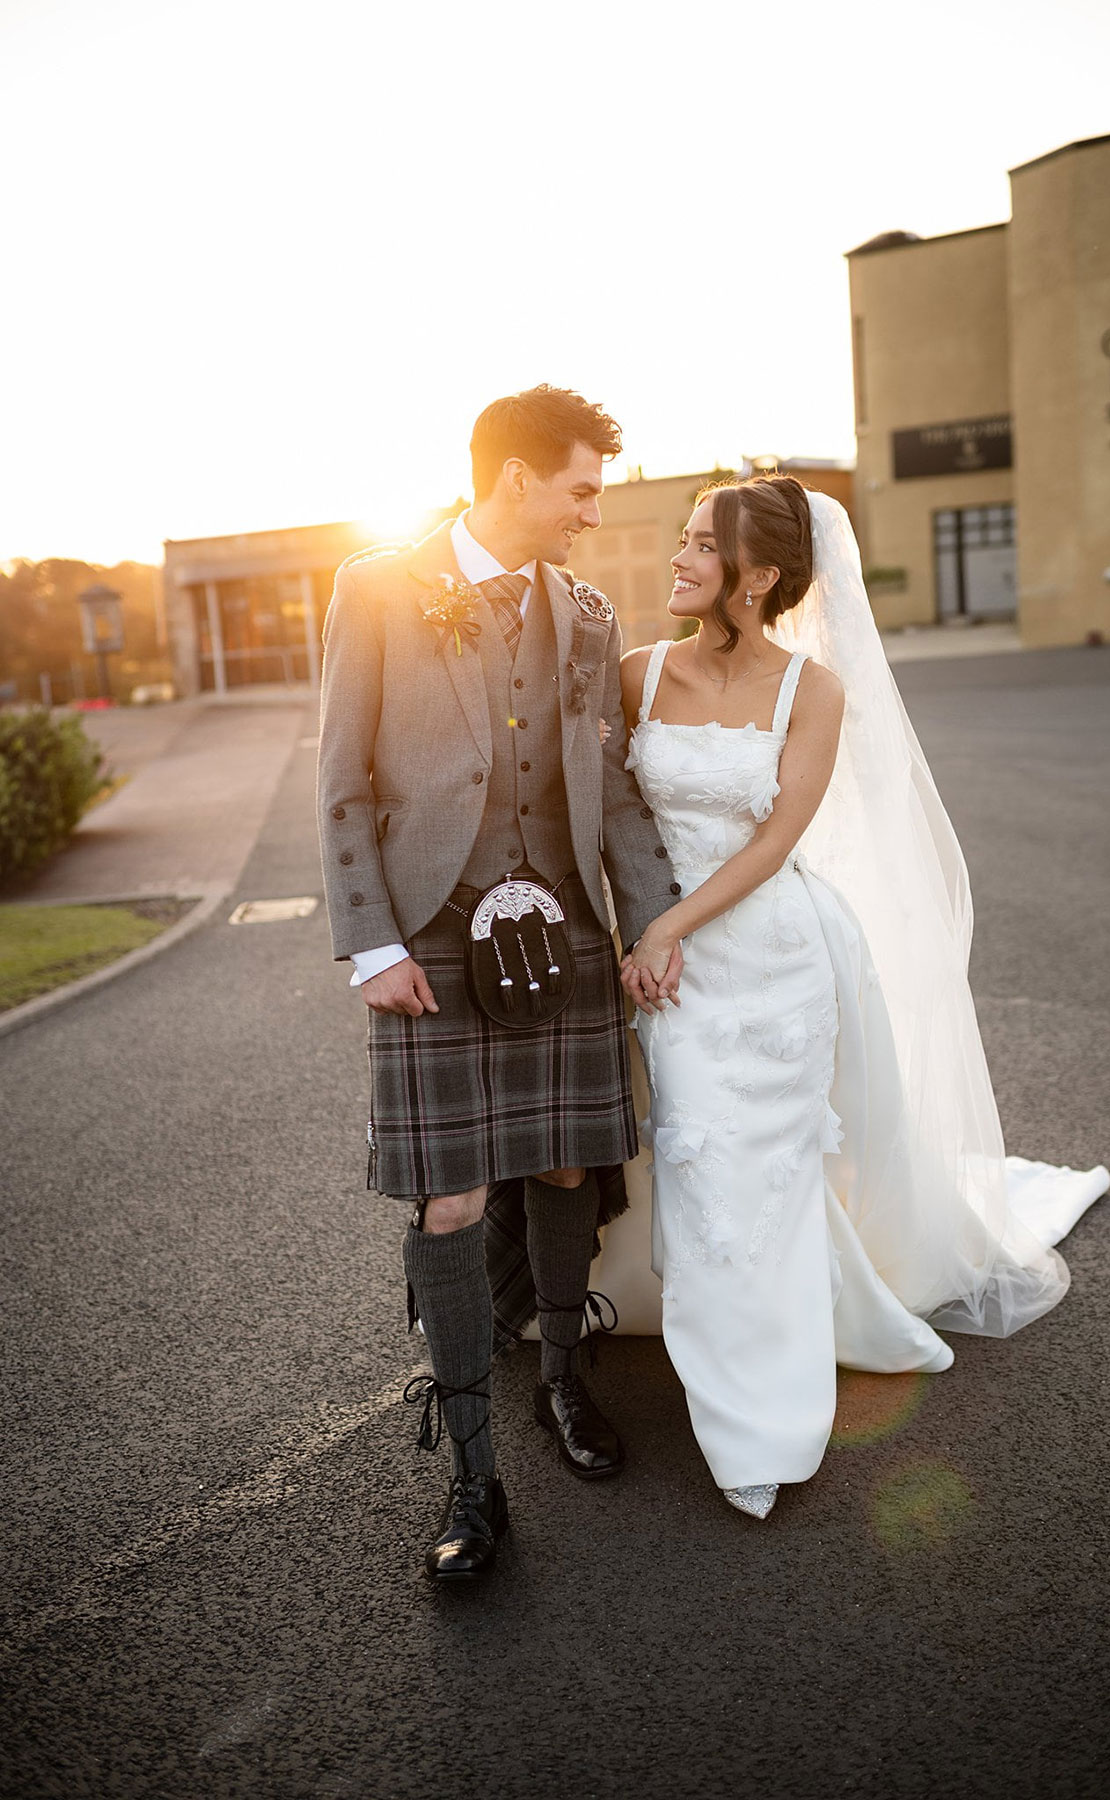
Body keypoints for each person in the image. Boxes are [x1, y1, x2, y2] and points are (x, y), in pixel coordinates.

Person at [618, 475, 1110, 1519]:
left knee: (775, 1174)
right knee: (705, 1173)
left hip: (771, 958)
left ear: (756, 576)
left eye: (702, 546)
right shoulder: (635, 674)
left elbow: (774, 843)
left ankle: (771, 1406)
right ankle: (741, 1389)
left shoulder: (813, 693)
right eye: (683, 538)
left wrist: (670, 926)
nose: (678, 557)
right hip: (672, 976)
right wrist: (641, 928)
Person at [317, 385, 681, 1580]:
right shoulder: (377, 585)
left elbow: (611, 785)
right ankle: (471, 1474)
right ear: (517, 477)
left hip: (567, 925)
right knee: (453, 1201)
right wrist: (370, 942)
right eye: (582, 486)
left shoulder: (582, 610)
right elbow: (345, 776)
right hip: (431, 935)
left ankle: (565, 1388)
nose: (592, 509)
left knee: (573, 1161)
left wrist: (655, 923)